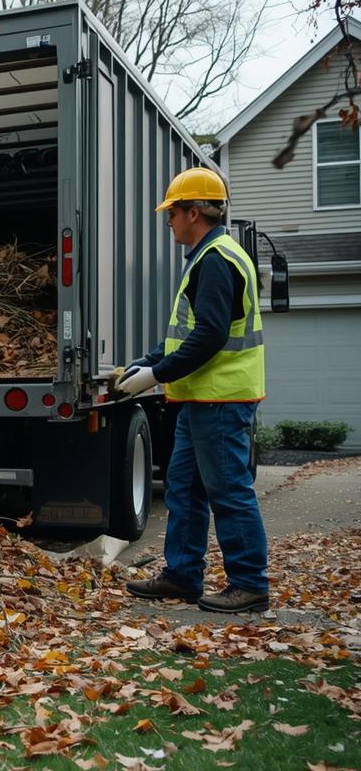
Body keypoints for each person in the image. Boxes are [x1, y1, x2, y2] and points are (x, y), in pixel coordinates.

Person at [116, 166, 269, 613]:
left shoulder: (217, 259)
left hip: (220, 399)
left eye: (173, 212)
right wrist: (147, 360)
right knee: (183, 487)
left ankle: (250, 584)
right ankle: (182, 576)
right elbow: (185, 334)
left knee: (228, 491)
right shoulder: (210, 256)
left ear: (196, 213)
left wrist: (157, 374)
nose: (168, 221)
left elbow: (209, 336)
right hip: (201, 399)